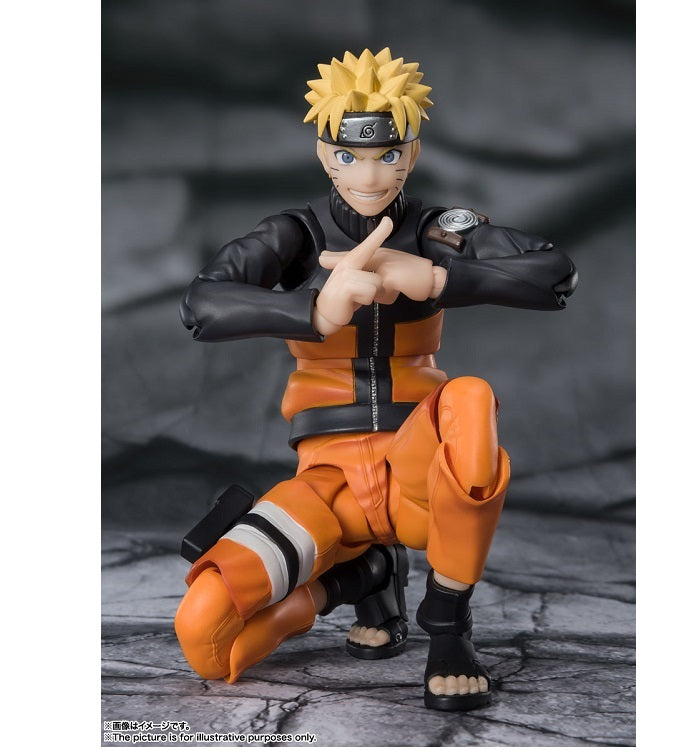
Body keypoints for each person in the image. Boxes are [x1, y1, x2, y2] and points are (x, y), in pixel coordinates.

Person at [174, 47, 577, 711]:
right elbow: (201, 304)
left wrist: (438, 277)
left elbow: (554, 273)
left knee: (470, 397)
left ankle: (447, 621)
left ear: (411, 154)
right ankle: (360, 576)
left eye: (387, 154)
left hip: (420, 471)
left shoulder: (437, 230)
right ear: (325, 155)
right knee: (205, 635)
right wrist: (314, 308)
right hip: (327, 486)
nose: (369, 174)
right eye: (349, 154)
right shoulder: (294, 236)